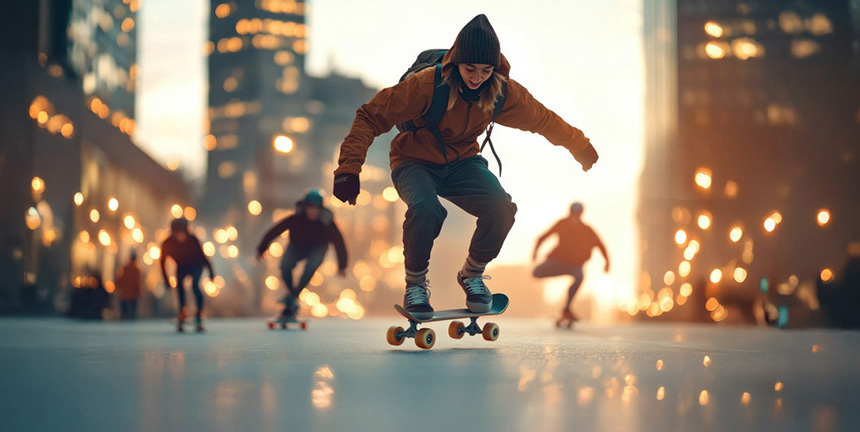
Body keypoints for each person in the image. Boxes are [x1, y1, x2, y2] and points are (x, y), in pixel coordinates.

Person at [332, 14, 599, 319]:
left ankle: (472, 275)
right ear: (455, 63)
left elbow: (543, 120)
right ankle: (415, 286)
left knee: (501, 207)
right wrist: (348, 170)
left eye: (485, 70)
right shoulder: (425, 86)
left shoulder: (502, 92)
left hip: (463, 162)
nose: (477, 77)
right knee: (427, 209)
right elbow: (370, 116)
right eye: (470, 69)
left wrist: (578, 144)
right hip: (414, 161)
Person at [257, 190, 348, 322]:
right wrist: (262, 248)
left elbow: (339, 242)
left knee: (311, 267)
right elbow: (276, 230)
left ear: (320, 210)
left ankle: (293, 296)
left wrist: (342, 264)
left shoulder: (327, 222)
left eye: (315, 209)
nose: (312, 212)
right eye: (310, 208)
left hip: (318, 248)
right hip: (297, 247)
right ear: (305, 208)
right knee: (285, 265)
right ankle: (292, 295)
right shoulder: (296, 219)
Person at [532, 202, 609, 323]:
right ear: (570, 214)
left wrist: (607, 261)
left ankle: (567, 309)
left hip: (574, 266)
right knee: (536, 273)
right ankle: (565, 307)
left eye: (577, 216)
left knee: (579, 276)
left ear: (580, 215)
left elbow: (600, 245)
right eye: (573, 215)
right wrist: (535, 252)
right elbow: (542, 237)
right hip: (556, 262)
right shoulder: (562, 224)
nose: (574, 219)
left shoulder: (586, 230)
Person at [160, 217, 214, 332]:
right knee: (179, 285)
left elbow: (203, 257)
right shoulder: (168, 243)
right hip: (182, 266)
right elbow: (162, 262)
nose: (180, 236)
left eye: (182, 233)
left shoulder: (193, 240)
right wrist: (166, 279)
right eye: (177, 233)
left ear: (186, 231)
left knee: (195, 285)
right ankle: (182, 311)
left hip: (196, 265)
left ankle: (198, 314)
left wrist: (211, 273)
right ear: (173, 232)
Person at [115, 250, 142, 320]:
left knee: (124, 312)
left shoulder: (125, 268)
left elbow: (119, 280)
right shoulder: (136, 270)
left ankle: (124, 322)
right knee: (132, 313)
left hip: (125, 294)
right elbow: (138, 283)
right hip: (132, 295)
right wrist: (139, 292)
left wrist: (118, 288)